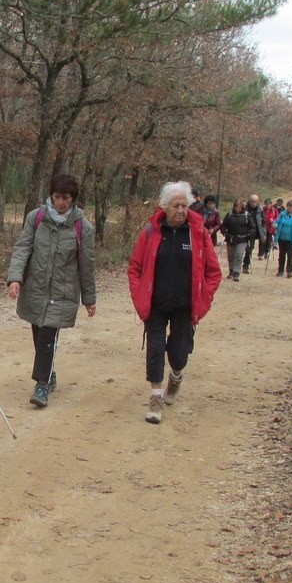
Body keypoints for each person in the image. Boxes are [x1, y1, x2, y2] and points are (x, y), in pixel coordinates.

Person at [128, 181, 221, 425]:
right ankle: (155, 399)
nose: (181, 210)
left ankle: (176, 376)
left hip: (185, 305)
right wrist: (139, 296)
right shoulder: (151, 231)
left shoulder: (198, 232)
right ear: (164, 207)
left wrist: (204, 296)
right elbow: (135, 267)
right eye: (175, 205)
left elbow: (213, 272)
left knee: (178, 353)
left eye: (184, 205)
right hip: (155, 304)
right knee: (156, 350)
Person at [6, 174, 97, 409]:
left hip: (62, 292)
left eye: (65, 198)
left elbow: (87, 264)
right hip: (36, 288)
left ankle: (42, 384)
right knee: (39, 333)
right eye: (57, 197)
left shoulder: (82, 227)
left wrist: (89, 298)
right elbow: (22, 248)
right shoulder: (36, 218)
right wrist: (15, 278)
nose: (60, 202)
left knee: (48, 335)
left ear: (73, 199)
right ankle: (50, 372)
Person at [220, 199, 256, 281]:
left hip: (242, 239)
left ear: (242, 207)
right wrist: (224, 231)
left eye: (239, 207)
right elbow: (223, 225)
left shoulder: (247, 215)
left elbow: (252, 227)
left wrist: (250, 234)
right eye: (236, 207)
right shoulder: (229, 215)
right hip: (231, 238)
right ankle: (231, 270)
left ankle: (236, 273)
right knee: (231, 256)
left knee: (239, 255)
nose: (237, 209)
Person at [242, 194, 267, 271]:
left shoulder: (260, 210)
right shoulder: (244, 209)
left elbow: (264, 222)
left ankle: (246, 266)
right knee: (242, 249)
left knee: (250, 248)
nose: (254, 203)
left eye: (255, 202)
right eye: (252, 201)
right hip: (244, 231)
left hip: (254, 232)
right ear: (249, 201)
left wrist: (263, 231)